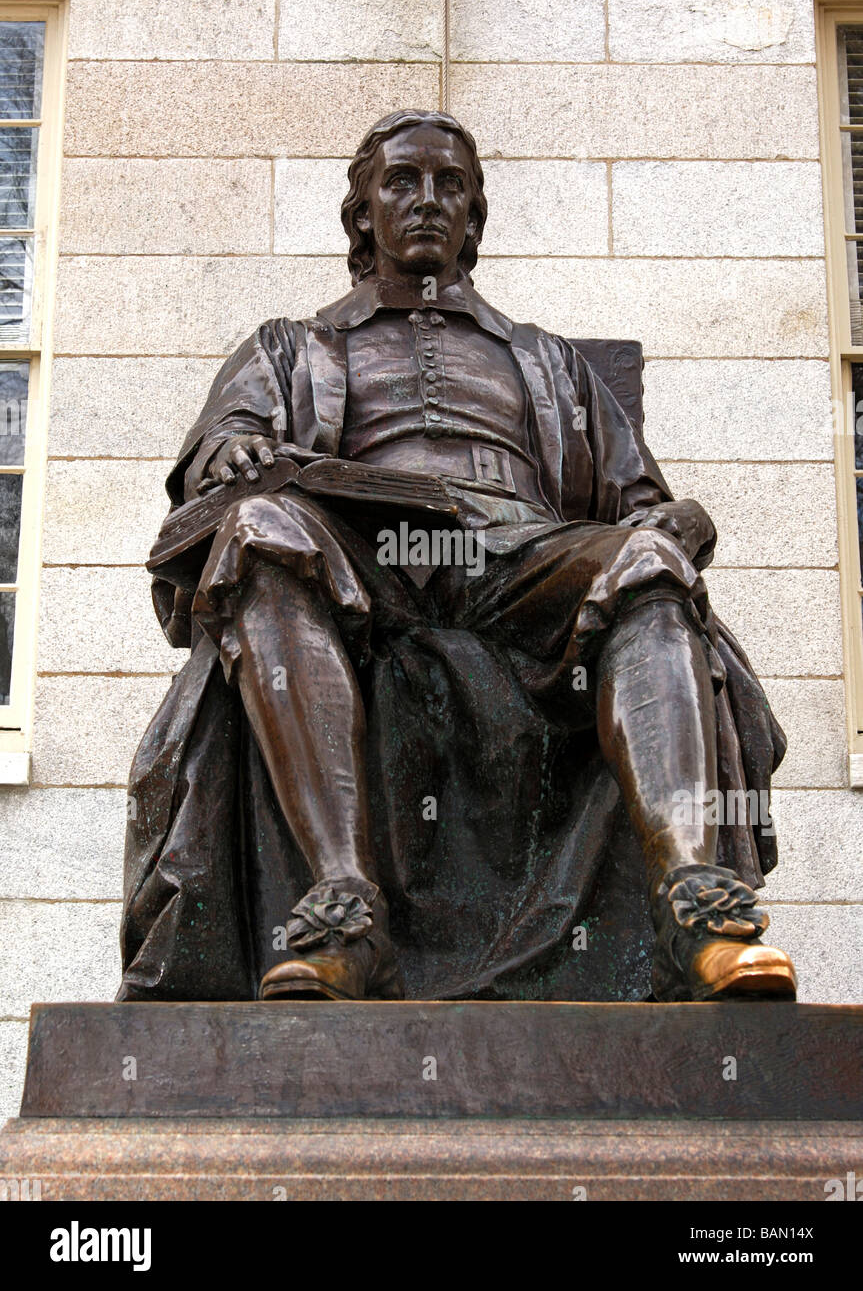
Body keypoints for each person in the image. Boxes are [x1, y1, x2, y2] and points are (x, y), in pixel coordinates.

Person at [118, 109, 796, 1006]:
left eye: (451, 187)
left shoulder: (549, 362)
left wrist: (680, 522)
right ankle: (343, 911)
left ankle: (695, 907)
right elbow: (225, 444)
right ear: (363, 215)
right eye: (402, 182)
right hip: (366, 561)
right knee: (256, 533)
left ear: (474, 217)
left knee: (645, 567)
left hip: (519, 559)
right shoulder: (291, 346)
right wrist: (233, 453)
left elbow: (637, 506)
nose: (428, 201)